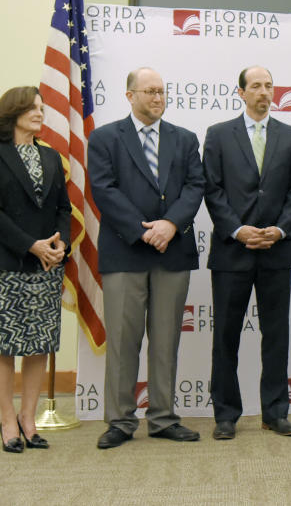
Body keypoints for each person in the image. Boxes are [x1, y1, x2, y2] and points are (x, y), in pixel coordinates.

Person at [88, 67, 205, 449]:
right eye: (150, 91)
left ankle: (163, 418)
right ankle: (121, 421)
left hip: (173, 251)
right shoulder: (105, 138)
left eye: (162, 91)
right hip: (125, 252)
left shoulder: (184, 139)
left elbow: (195, 186)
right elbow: (104, 190)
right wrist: (143, 231)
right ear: (130, 95)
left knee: (166, 338)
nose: (158, 98)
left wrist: (169, 225)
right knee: (123, 340)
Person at [203, 66, 291, 440]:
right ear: (241, 93)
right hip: (233, 251)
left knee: (277, 335)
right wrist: (238, 229)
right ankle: (226, 415)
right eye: (256, 86)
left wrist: (279, 230)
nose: (264, 92)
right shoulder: (218, 135)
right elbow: (212, 189)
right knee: (226, 336)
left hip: (277, 251)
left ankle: (275, 412)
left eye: (269, 85)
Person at [0, 87, 70, 453]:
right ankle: (7, 419)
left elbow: (63, 207)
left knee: (39, 343)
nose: (40, 113)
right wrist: (33, 246)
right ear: (11, 112)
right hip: (7, 263)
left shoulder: (51, 156)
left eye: (42, 108)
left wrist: (60, 246)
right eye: (32, 108)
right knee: (5, 343)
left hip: (48, 265)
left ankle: (29, 419)